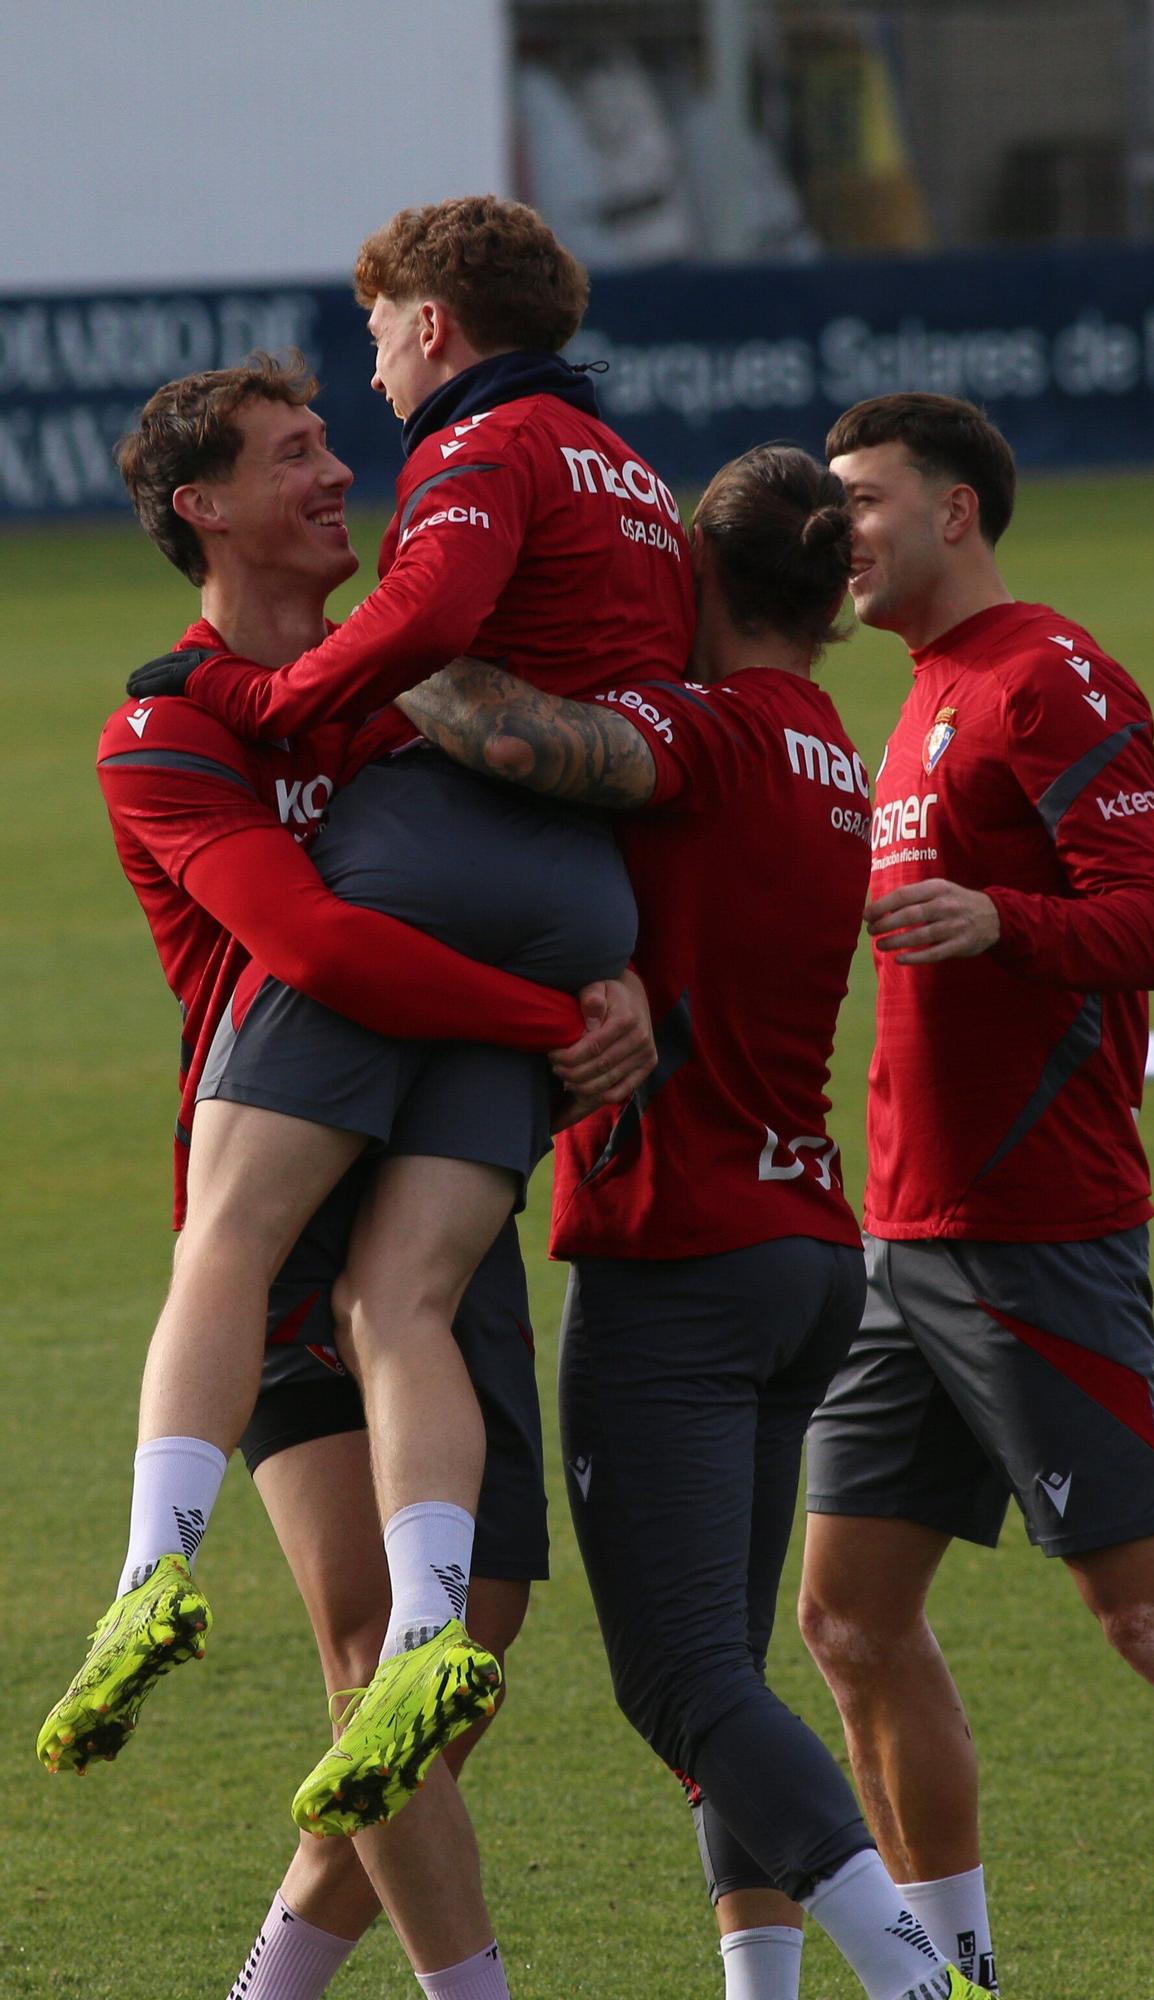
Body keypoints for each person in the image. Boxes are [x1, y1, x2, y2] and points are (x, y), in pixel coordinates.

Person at [47, 190, 689, 1850]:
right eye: (293, 457)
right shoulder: (173, 726)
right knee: (358, 1659)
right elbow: (316, 943)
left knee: (459, 1647)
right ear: (200, 510)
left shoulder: (413, 713)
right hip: (339, 1132)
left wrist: (592, 999)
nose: (343, 469)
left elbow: (486, 716)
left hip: (406, 1101)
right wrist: (566, 1010)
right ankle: (159, 1595)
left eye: (340, 434)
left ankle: (230, 1605)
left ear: (431, 327)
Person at [393, 445, 995, 2000]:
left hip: (680, 1254)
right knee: (723, 1670)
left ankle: (921, 1981)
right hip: (802, 1248)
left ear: (697, 583)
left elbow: (529, 744)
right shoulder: (824, 745)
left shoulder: (705, 730)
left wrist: (390, 644)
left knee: (674, 1683)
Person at [790, 391, 1154, 1993]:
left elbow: (1149, 930)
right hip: (903, 1237)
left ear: (955, 510)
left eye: (861, 498)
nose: (836, 530)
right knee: (847, 1619)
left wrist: (1003, 922)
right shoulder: (921, 696)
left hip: (1032, 1230)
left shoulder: (1047, 676)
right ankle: (955, 1977)